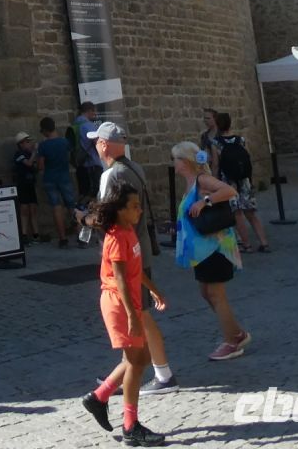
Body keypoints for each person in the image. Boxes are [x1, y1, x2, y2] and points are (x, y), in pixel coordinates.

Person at [79, 186, 168, 446]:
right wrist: (131, 314)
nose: (139, 210)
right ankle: (130, 427)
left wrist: (154, 291)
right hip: (119, 305)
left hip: (131, 302)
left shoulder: (129, 230)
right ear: (120, 210)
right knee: (135, 362)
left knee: (143, 358)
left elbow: (135, 271)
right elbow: (119, 280)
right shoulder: (117, 237)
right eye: (134, 206)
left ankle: (99, 397)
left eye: (139, 205)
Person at [91, 122, 176, 392]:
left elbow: (104, 218)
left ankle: (160, 375)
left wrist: (83, 218)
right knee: (139, 316)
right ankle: (141, 373)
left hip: (124, 254)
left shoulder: (110, 176)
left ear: (103, 144)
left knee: (138, 317)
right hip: (141, 249)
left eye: (97, 142)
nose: (95, 146)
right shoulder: (134, 167)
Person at [170, 141, 249, 361]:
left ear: (184, 162)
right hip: (202, 249)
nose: (173, 163)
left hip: (215, 247)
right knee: (206, 293)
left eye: (175, 159)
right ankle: (236, 333)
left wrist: (205, 201)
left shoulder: (202, 180)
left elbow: (230, 191)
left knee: (215, 293)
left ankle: (232, 342)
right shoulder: (190, 183)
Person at [211, 112, 269, 253]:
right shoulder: (240, 140)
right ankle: (263, 242)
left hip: (228, 182)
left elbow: (216, 165)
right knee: (251, 212)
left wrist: (213, 182)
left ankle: (246, 244)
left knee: (237, 214)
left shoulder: (216, 143)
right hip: (244, 180)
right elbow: (247, 159)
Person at [35, 117, 76, 247]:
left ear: (45, 130)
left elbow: (40, 166)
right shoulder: (64, 142)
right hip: (64, 177)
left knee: (56, 207)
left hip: (50, 178)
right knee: (71, 206)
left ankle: (63, 239)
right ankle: (81, 236)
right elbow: (70, 158)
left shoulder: (43, 145)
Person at [12, 134, 42, 244]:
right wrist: (34, 152)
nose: (29, 144)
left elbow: (36, 167)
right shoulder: (18, 154)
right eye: (27, 142)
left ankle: (36, 235)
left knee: (33, 209)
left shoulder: (30, 154)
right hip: (22, 184)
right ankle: (24, 235)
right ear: (21, 144)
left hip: (30, 184)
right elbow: (28, 164)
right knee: (24, 210)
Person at [72, 102, 104, 199]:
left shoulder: (75, 124)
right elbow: (96, 142)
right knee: (96, 194)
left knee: (84, 193)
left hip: (80, 164)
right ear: (89, 110)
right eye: (94, 111)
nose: (95, 114)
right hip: (92, 164)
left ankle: (82, 213)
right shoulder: (88, 125)